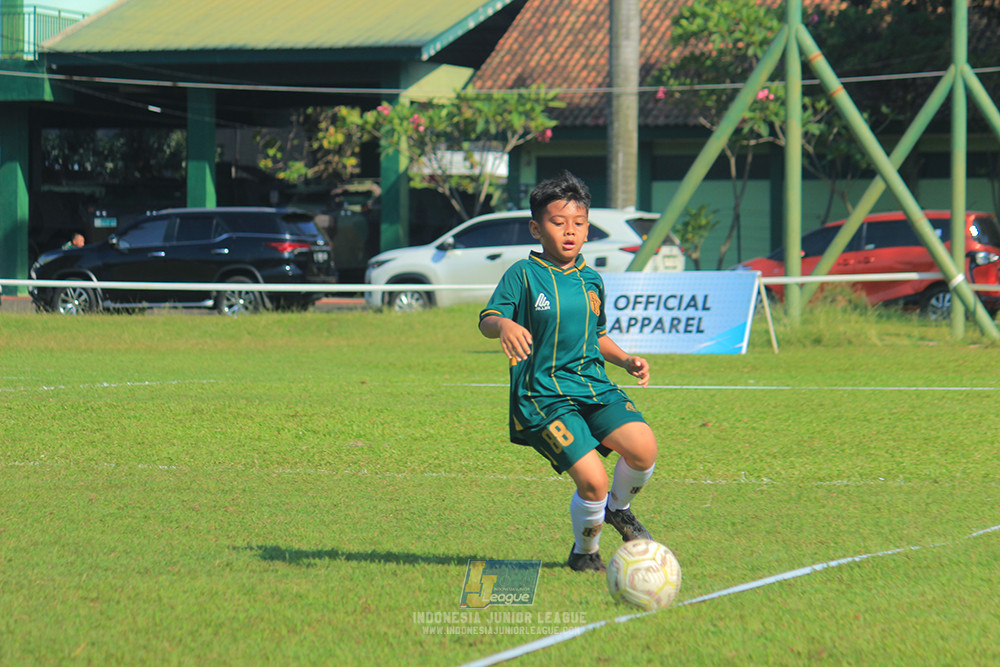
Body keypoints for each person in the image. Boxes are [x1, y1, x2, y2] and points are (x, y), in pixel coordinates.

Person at [478, 171, 658, 573]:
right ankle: (585, 553)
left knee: (643, 449)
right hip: (543, 396)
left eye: (578, 223)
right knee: (592, 479)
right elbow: (489, 319)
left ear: (588, 229)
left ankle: (619, 510)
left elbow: (597, 336)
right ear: (536, 228)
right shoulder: (522, 275)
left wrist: (626, 359)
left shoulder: (592, 280)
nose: (569, 231)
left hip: (593, 385)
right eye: (558, 223)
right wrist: (504, 325)